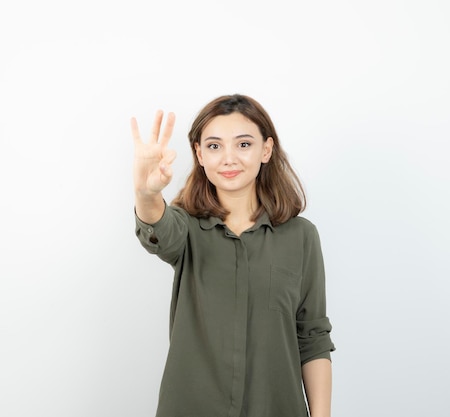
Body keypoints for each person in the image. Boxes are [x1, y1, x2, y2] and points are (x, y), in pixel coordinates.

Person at [131, 94, 335, 417]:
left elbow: (312, 337)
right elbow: (158, 228)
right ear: (199, 154)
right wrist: (146, 193)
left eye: (243, 145)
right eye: (214, 146)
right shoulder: (186, 230)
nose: (229, 159)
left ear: (265, 149)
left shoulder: (301, 237)